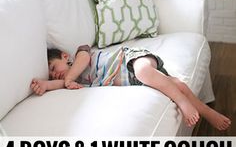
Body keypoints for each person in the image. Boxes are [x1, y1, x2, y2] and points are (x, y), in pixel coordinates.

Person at [31, 45, 231, 131]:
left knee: (145, 72)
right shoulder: (73, 82)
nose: (54, 74)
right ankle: (207, 112)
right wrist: (45, 84)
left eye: (53, 67)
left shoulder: (80, 55)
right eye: (51, 74)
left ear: (65, 56)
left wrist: (70, 77)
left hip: (131, 60)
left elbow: (84, 57)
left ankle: (183, 103)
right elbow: (59, 84)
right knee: (175, 84)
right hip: (134, 80)